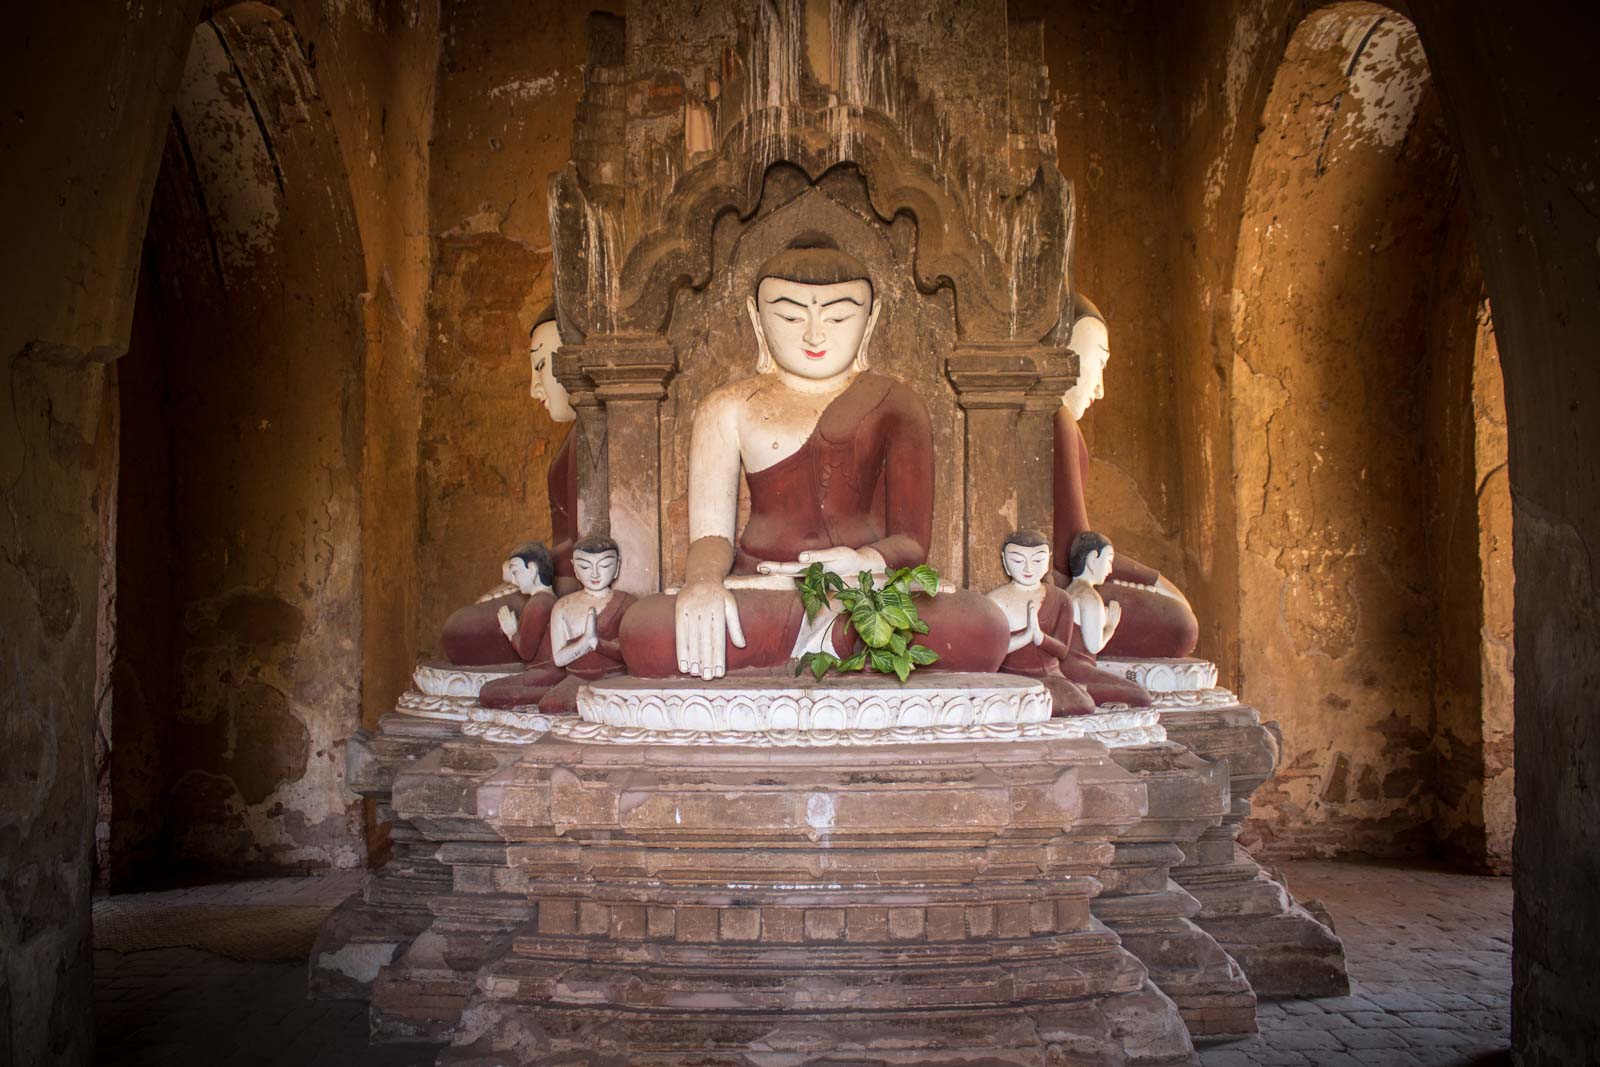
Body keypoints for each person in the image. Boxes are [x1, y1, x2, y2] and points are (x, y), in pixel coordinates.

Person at [618, 234, 1008, 679]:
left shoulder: (896, 402)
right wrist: (703, 583)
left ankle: (815, 642)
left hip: (866, 589)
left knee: (982, 625)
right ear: (756, 318)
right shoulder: (727, 406)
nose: (815, 334)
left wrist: (862, 562)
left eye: (840, 316)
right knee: (645, 630)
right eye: (788, 315)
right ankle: (828, 645)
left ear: (871, 319)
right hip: (767, 586)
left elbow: (911, 542)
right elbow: (711, 535)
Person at [1054, 294, 1200, 658]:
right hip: (1059, 591)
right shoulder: (1057, 421)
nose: (1100, 389)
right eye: (1098, 361)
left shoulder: (1062, 423)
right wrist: (1154, 581)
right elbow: (1078, 548)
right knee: (1181, 625)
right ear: (1064, 353)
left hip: (1058, 586)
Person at [479, 535, 634, 713]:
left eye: (605, 565)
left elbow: (633, 653)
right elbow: (559, 659)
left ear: (617, 567)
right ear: (575, 568)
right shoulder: (562, 606)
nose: (595, 573)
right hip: (576, 678)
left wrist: (598, 644)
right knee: (551, 706)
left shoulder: (627, 602)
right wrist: (584, 643)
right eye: (584, 566)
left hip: (614, 675)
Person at [986, 530, 1097, 716]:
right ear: (1005, 561)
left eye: (1037, 560)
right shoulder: (994, 600)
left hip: (1050, 676)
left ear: (1048, 561)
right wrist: (1025, 637)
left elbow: (1062, 650)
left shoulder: (1061, 598)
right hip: (1009, 677)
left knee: (1080, 704)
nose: (1028, 568)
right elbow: (990, 652)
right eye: (1018, 560)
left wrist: (1040, 638)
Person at [528, 305, 579, 590]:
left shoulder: (592, 437)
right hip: (567, 582)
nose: (534, 388)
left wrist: (532, 565)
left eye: (540, 367)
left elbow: (586, 542)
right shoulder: (574, 439)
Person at [439, 542, 556, 666]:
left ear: (532, 570)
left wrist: (511, 631)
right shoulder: (545, 600)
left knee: (489, 686)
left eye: (515, 572)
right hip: (539, 670)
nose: (514, 581)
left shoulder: (538, 605)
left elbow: (526, 653)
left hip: (540, 672)